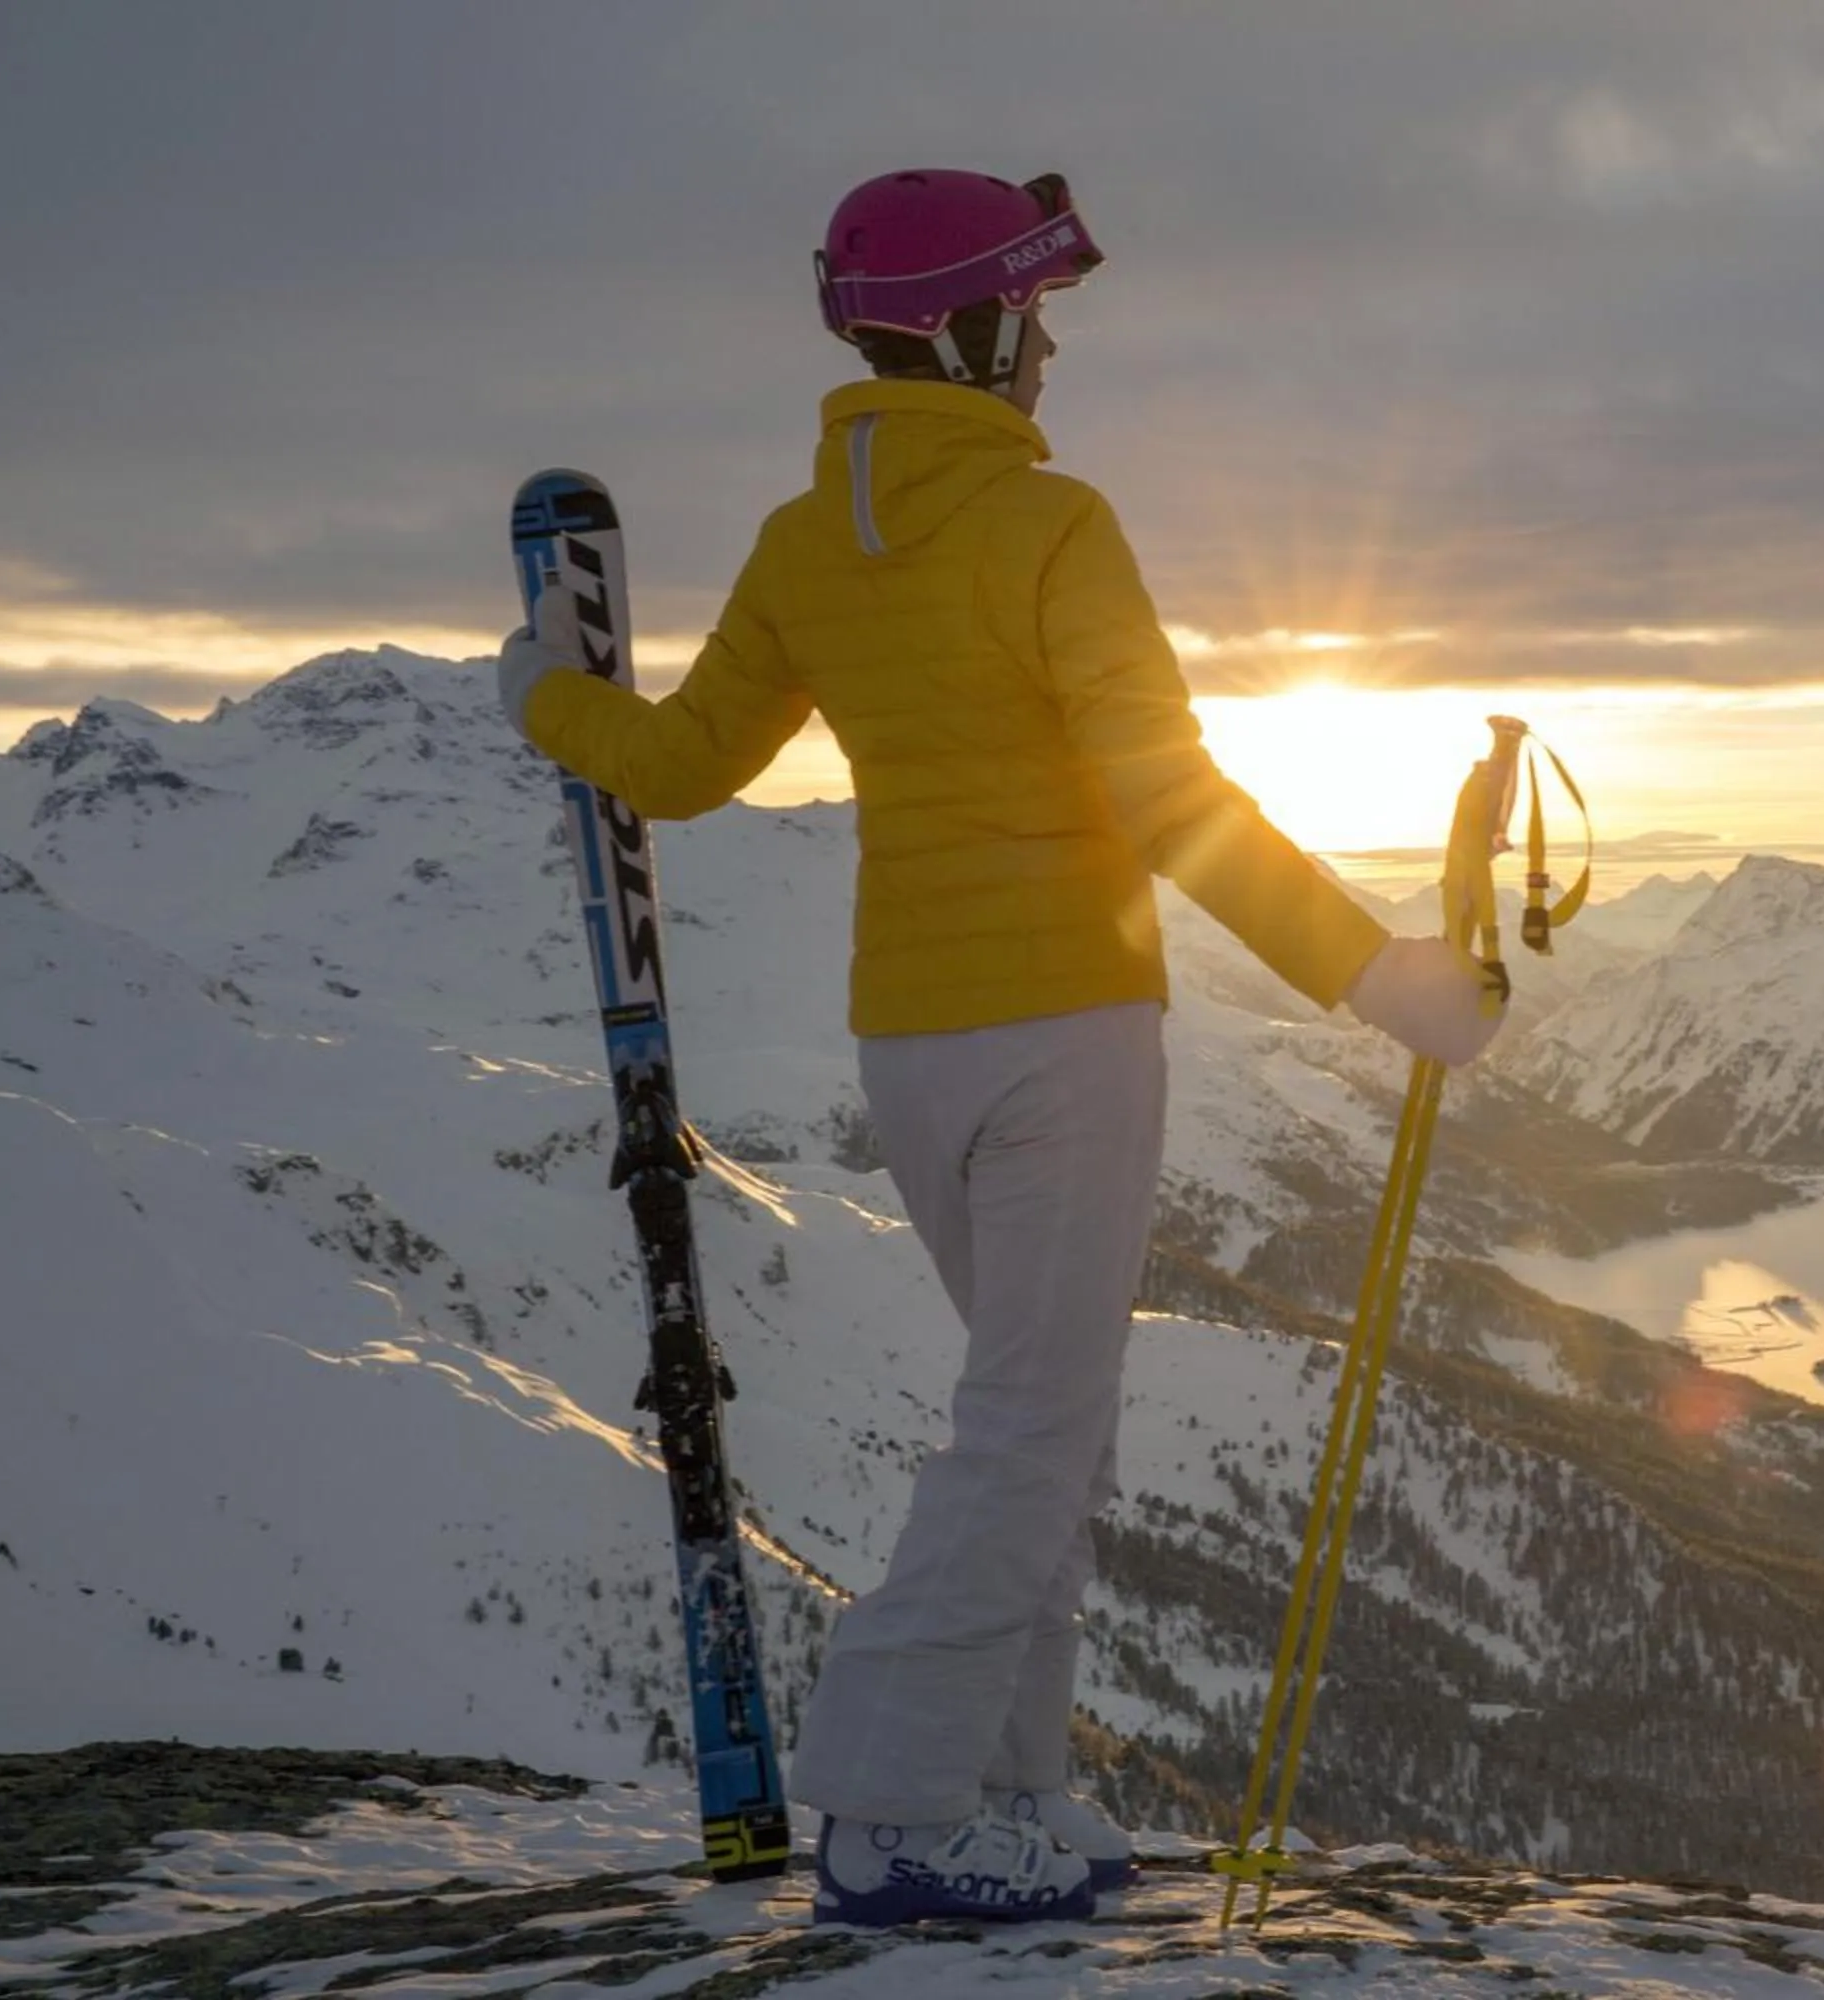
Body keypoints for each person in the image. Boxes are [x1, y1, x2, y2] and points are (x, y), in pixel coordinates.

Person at [496, 167, 1496, 1926]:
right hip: (1068, 1032)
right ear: (964, 330)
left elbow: (676, 770)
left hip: (912, 1044)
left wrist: (543, 702)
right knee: (1033, 1428)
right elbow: (1172, 801)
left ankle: (1015, 1783)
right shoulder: (1055, 530)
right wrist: (1380, 976)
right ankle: (890, 1808)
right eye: (1029, 320)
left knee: (1044, 1418)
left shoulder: (808, 547)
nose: (1046, 355)